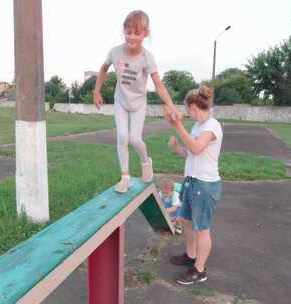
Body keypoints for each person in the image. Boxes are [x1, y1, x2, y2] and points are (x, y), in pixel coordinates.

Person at [93, 10, 181, 193]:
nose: (131, 37)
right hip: (120, 101)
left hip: (139, 103)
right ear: (123, 31)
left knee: (134, 139)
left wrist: (171, 106)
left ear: (145, 34)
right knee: (122, 137)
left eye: (137, 33)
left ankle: (145, 161)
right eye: (128, 32)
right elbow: (103, 69)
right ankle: (125, 176)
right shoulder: (115, 52)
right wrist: (97, 92)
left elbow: (158, 84)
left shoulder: (147, 57)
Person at [167, 85, 223, 284]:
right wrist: (177, 149)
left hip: (205, 184)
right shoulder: (196, 127)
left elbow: (198, 148)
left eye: (187, 110)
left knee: (202, 228)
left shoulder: (212, 126)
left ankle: (199, 270)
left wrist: (177, 126)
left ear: (192, 107)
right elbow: (191, 153)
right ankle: (190, 256)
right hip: (191, 181)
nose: (187, 114)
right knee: (186, 221)